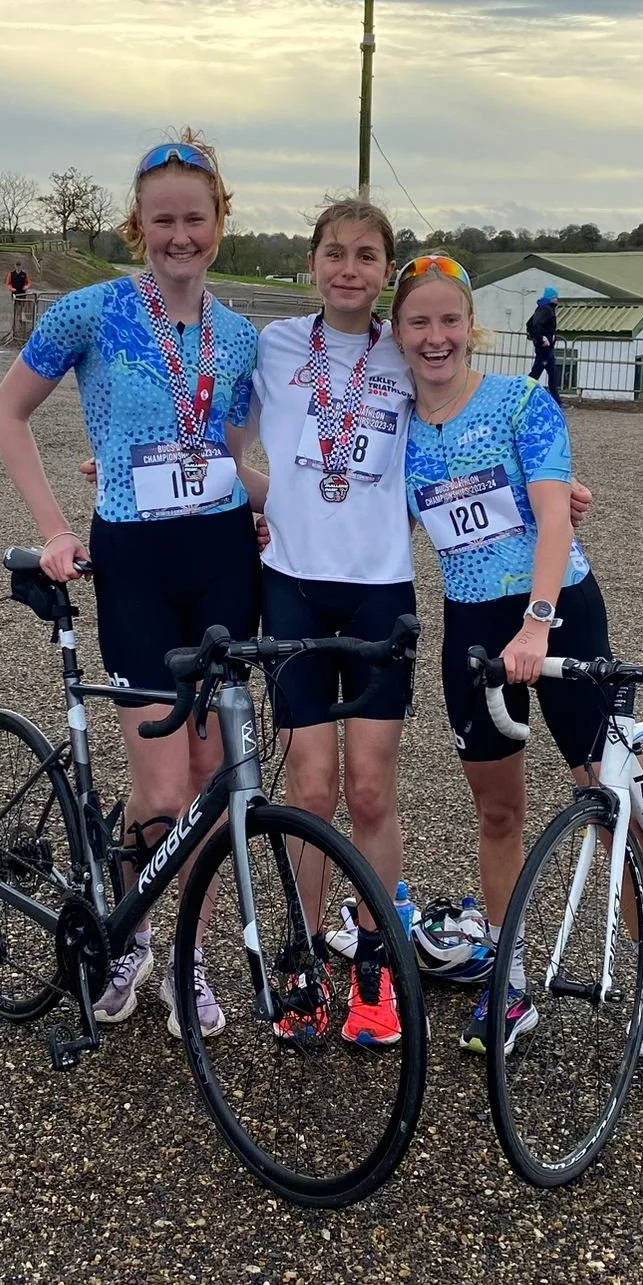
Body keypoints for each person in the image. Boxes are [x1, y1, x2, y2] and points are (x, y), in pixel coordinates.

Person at [391, 254, 643, 1101]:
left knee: (610, 809)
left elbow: (554, 513)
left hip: (557, 609)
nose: (435, 337)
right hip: (471, 627)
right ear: (397, 333)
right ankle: (514, 985)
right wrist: (251, 502)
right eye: (417, 322)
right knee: (499, 812)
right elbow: (339, 503)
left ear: (471, 329)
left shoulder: (522, 401)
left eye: (448, 321)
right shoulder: (396, 425)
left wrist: (536, 619)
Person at [0, 133, 260, 1042]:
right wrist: (57, 528)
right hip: (136, 562)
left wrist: (286, 510)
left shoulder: (241, 335)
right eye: (160, 220)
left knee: (218, 777)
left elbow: (245, 453)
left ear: (220, 223)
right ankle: (129, 928)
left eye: (194, 218)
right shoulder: (92, 312)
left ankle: (186, 958)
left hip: (224, 558)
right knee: (166, 782)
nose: (178, 235)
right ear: (135, 225)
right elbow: (7, 411)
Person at [231, 199, 417, 1046]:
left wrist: (547, 493)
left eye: (367, 256)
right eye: (335, 253)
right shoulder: (271, 345)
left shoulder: (411, 348)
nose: (350, 268)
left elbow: (466, 436)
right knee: (311, 788)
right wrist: (266, 501)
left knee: (372, 789)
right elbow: (220, 440)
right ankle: (303, 959)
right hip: (293, 587)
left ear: (387, 271)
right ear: (312, 265)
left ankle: (375, 965)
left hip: (381, 589)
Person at [527, 286, 561, 399]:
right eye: (555, 297)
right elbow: (535, 325)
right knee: (536, 373)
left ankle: (557, 400)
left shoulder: (543, 308)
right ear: (550, 298)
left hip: (546, 348)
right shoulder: (546, 309)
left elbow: (530, 324)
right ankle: (524, 391)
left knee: (552, 373)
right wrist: (542, 338)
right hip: (544, 348)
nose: (557, 300)